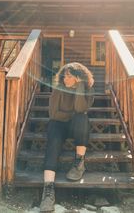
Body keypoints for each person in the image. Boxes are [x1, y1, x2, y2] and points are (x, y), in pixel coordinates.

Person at [40, 62, 94, 212]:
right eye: (64, 76)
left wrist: (80, 88)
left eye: (69, 76)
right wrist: (71, 116)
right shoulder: (58, 89)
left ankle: (79, 163)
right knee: (54, 130)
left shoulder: (87, 90)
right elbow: (53, 114)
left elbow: (80, 108)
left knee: (82, 118)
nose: (65, 79)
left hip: (76, 125)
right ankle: (48, 190)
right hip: (59, 124)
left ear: (78, 78)